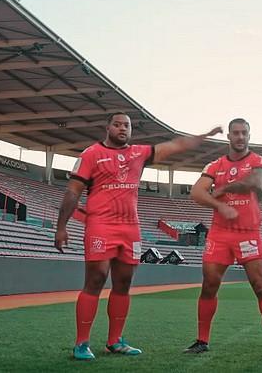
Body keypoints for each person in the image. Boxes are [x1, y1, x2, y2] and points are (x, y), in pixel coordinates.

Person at [54, 112, 221, 360]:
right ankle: (81, 343)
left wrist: (204, 136)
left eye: (127, 126)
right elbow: (72, 191)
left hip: (130, 228)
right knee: (96, 279)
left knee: (123, 284)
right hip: (101, 225)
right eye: (118, 124)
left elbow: (174, 146)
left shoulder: (139, 153)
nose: (123, 129)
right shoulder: (91, 154)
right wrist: (61, 226)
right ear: (108, 127)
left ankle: (115, 341)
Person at [183, 118, 262, 360]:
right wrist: (219, 205)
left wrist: (225, 189)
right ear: (228, 136)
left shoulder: (259, 161)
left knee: (260, 286)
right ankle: (202, 340)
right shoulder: (215, 165)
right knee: (209, 285)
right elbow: (196, 192)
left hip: (247, 232)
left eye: (244, 133)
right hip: (220, 233)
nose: (240, 137)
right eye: (235, 133)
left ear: (249, 135)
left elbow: (256, 182)